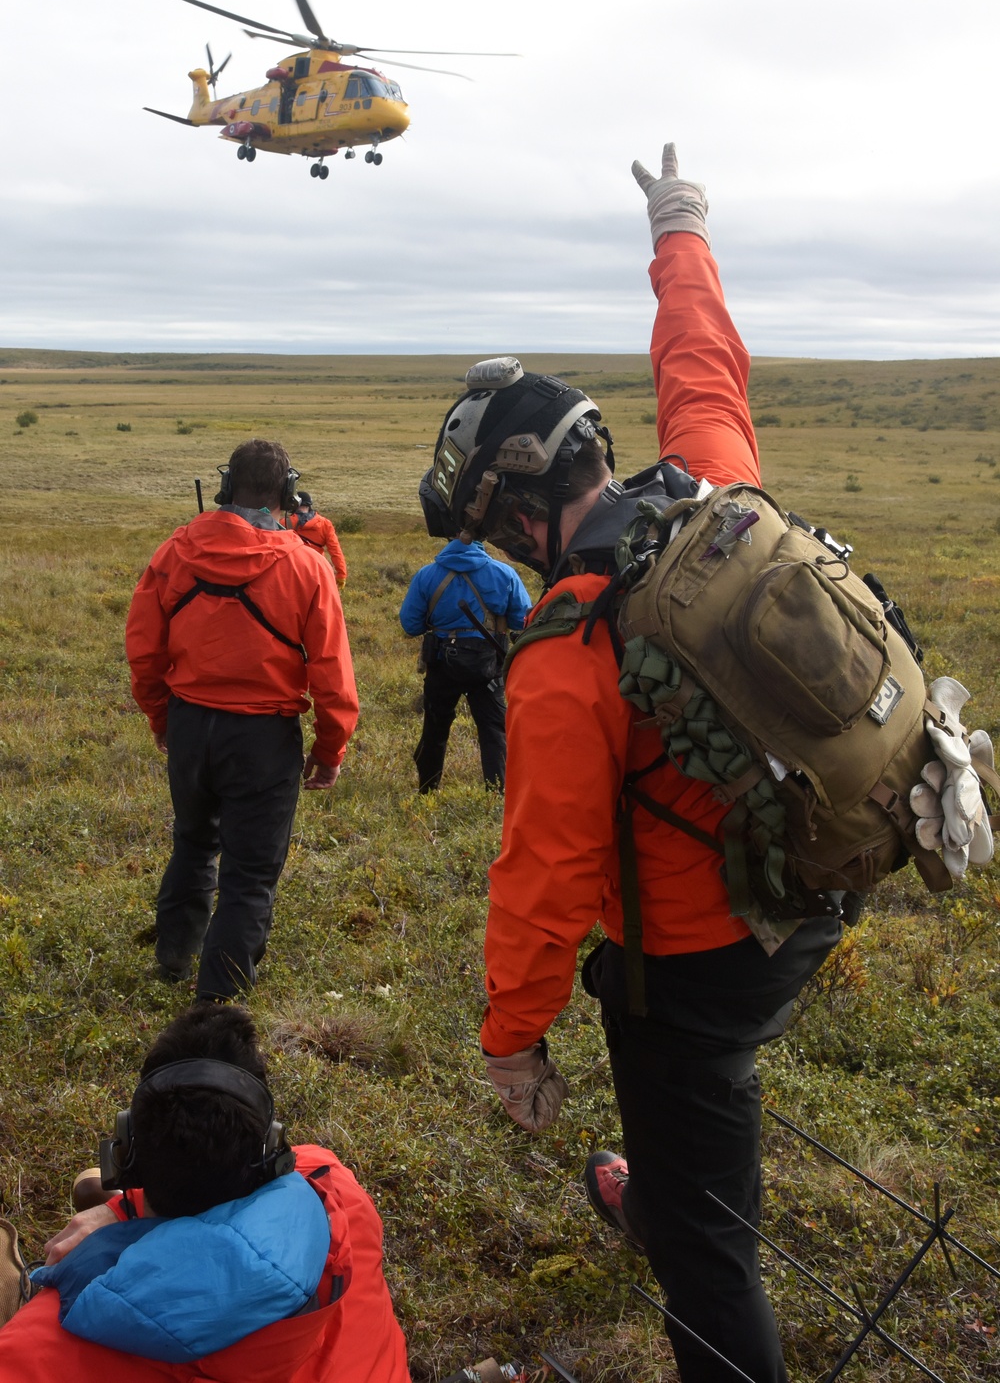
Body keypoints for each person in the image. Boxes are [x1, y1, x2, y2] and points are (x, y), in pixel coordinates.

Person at [417, 146, 842, 1383]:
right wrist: (680, 224)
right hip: (814, 890)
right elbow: (702, 358)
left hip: (697, 967)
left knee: (711, 1247)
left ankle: (678, 1212)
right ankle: (660, 1182)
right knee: (699, 1118)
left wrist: (512, 1041)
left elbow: (545, 872)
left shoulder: (564, 649)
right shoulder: (718, 483)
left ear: (511, 509)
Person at [0, 1001, 410, 1382]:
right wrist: (117, 1212)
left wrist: (120, 1216)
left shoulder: (35, 1345)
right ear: (272, 1153)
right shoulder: (336, 1189)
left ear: (126, 1155)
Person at [125, 439, 359, 1001]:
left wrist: (163, 719)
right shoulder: (308, 565)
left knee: (192, 842)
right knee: (250, 874)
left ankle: (174, 959)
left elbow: (143, 650)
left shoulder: (174, 551)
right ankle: (218, 1004)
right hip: (262, 738)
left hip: (189, 724)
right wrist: (329, 753)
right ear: (287, 493)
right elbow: (332, 675)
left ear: (226, 488)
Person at [399, 538, 532, 792]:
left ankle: (427, 788)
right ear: (482, 539)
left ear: (447, 540)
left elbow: (410, 625)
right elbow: (522, 619)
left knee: (435, 727)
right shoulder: (504, 573)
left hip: (441, 662)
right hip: (488, 665)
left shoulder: (426, 575)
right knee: (493, 729)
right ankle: (497, 792)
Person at [286, 491, 349, 587]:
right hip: (318, 570)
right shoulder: (325, 524)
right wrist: (341, 574)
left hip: (292, 571)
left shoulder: (284, 523)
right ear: (309, 505)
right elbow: (335, 551)